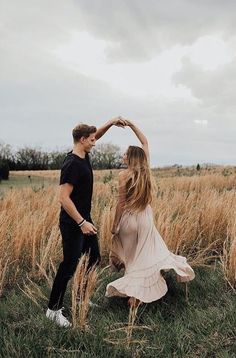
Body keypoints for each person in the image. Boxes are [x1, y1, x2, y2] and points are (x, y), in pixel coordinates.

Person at [105, 119, 195, 306]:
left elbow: (121, 204)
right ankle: (139, 292)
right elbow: (145, 142)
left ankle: (134, 294)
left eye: (125, 154)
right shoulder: (145, 171)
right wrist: (131, 125)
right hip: (145, 218)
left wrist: (115, 225)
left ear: (130, 158)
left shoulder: (124, 175)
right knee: (144, 256)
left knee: (131, 258)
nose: (122, 156)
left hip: (129, 220)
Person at [46, 117, 126, 327]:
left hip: (84, 219)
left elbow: (96, 133)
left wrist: (112, 122)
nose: (95, 142)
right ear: (82, 140)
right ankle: (53, 309)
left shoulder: (83, 154)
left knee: (93, 258)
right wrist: (82, 222)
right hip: (73, 223)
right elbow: (63, 198)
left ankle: (81, 297)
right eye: (91, 139)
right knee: (69, 264)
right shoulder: (72, 164)